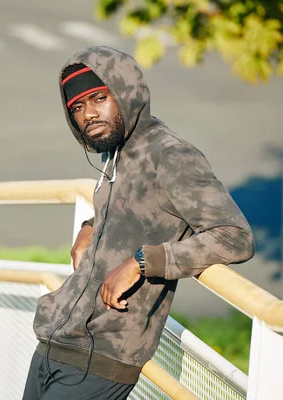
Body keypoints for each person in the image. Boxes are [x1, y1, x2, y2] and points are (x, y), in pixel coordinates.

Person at [22, 46, 255, 399]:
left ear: (126, 92)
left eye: (99, 98)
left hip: (102, 357)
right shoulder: (116, 152)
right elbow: (131, 208)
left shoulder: (171, 155)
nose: (88, 114)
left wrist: (141, 263)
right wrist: (90, 226)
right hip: (56, 340)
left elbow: (234, 236)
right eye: (78, 108)